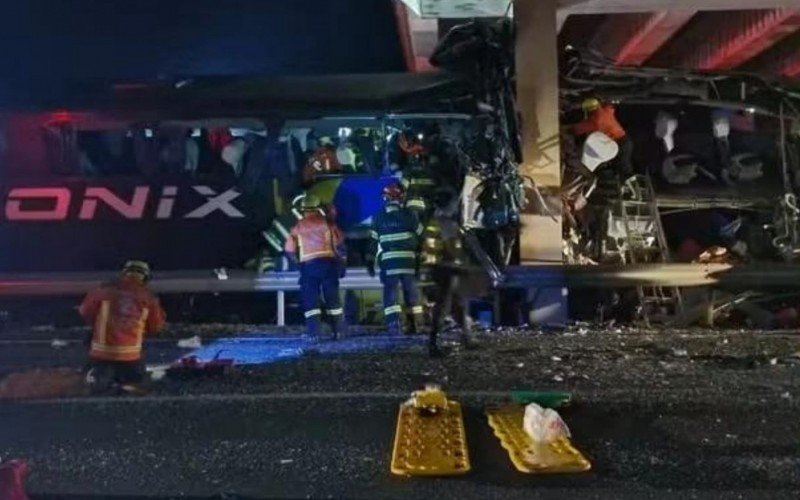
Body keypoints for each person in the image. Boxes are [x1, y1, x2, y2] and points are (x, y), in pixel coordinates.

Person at [79, 261, 166, 392]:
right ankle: (130, 384)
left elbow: (85, 311)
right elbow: (156, 327)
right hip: (131, 358)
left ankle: (93, 377)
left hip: (101, 355)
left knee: (89, 339)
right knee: (141, 385)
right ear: (145, 277)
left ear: (124, 273)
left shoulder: (104, 290)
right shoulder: (149, 297)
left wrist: (99, 326)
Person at [285, 194, 347, 341]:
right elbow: (340, 247)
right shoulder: (329, 224)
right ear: (318, 208)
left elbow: (289, 250)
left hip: (309, 267)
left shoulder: (298, 227)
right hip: (329, 266)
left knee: (311, 301)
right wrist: (342, 266)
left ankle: (314, 334)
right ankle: (338, 332)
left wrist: (299, 266)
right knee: (333, 300)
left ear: (302, 209)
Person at [367, 183, 424, 336]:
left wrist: (370, 262)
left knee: (390, 295)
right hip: (409, 263)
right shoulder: (410, 215)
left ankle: (394, 325)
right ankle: (416, 324)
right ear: (401, 198)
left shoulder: (378, 217)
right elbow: (421, 236)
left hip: (389, 263)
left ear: (385, 198)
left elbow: (373, 243)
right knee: (411, 293)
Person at [573, 97, 633, 177]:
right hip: (625, 141)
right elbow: (610, 106)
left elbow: (577, 129)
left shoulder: (594, 121)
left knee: (622, 167)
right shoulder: (606, 111)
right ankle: (628, 182)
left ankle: (629, 183)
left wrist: (564, 129)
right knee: (622, 165)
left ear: (587, 111)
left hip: (618, 145)